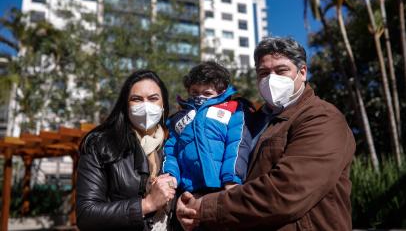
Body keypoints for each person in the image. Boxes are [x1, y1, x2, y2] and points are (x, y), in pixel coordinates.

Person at [176, 37, 356, 231]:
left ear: (302, 72)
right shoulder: (248, 119)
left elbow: (286, 191)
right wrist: (187, 200)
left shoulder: (321, 118)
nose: (271, 79)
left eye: (281, 70)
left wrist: (205, 207)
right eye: (264, 73)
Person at [76, 70, 177, 231]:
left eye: (153, 99)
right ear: (126, 105)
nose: (146, 106)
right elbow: (86, 215)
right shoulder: (101, 144)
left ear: (163, 105)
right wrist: (146, 204)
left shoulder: (175, 146)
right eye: (136, 99)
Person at [162, 61, 254, 193]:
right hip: (189, 189)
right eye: (195, 92)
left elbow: (237, 144)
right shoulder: (179, 117)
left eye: (207, 93)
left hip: (223, 186)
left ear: (221, 92)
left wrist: (231, 179)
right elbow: (171, 150)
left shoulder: (233, 110)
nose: (200, 97)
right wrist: (170, 175)